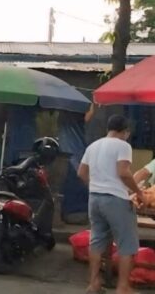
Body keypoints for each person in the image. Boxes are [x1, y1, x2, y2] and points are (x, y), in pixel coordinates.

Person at [77, 115, 144, 294]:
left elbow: (81, 173)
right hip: (115, 199)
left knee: (97, 240)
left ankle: (94, 284)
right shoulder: (123, 145)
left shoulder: (94, 145)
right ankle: (123, 287)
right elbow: (124, 172)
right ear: (125, 131)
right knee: (127, 243)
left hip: (95, 198)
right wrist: (138, 192)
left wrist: (96, 185)